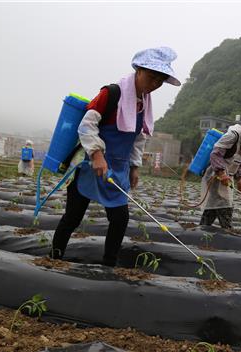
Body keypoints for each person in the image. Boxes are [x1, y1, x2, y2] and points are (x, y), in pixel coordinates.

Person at [51, 47, 180, 266]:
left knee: (120, 219)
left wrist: (134, 166)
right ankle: (53, 258)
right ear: (138, 70)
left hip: (118, 168)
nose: (155, 84)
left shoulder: (144, 103)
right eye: (152, 77)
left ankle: (109, 265)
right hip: (92, 166)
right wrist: (97, 155)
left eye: (160, 80)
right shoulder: (112, 93)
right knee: (73, 217)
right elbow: (87, 125)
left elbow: (138, 138)